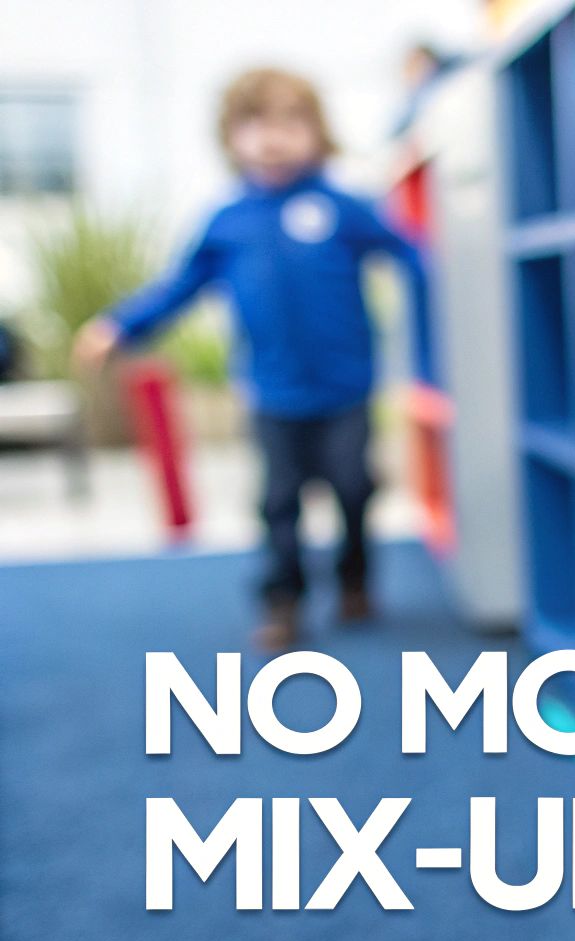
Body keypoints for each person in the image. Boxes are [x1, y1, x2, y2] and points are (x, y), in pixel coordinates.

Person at [75, 67, 433, 650]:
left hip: (346, 386)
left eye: (291, 123)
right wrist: (119, 326)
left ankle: (354, 580)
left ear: (318, 133)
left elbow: (409, 253)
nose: (273, 138)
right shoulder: (228, 221)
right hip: (274, 390)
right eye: (256, 124)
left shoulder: (344, 208)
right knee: (279, 501)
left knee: (353, 487)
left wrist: (454, 277)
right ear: (232, 137)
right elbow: (179, 287)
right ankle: (282, 601)